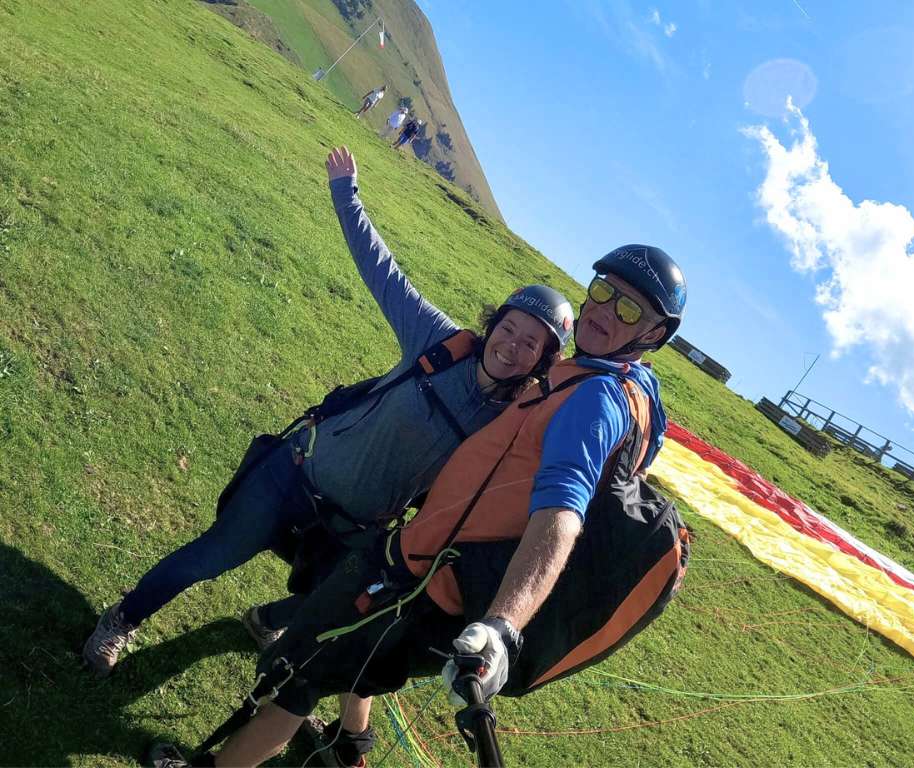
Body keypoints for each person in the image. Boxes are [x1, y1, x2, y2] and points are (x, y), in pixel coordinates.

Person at [159, 244, 688, 767]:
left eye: (628, 309)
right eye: (601, 291)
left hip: (422, 582)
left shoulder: (595, 400)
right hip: (431, 574)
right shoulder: (637, 395)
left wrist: (504, 627)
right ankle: (349, 746)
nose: (602, 311)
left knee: (301, 672)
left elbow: (562, 514)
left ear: (654, 334)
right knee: (356, 657)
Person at [82, 146, 573, 678]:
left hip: (357, 526)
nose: (512, 346)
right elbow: (383, 272)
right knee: (212, 557)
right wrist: (347, 194)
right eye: (510, 329)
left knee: (347, 604)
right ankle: (122, 619)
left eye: (531, 345)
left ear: (542, 362)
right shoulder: (439, 341)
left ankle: (265, 619)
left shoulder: (509, 422)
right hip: (297, 474)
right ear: (494, 322)